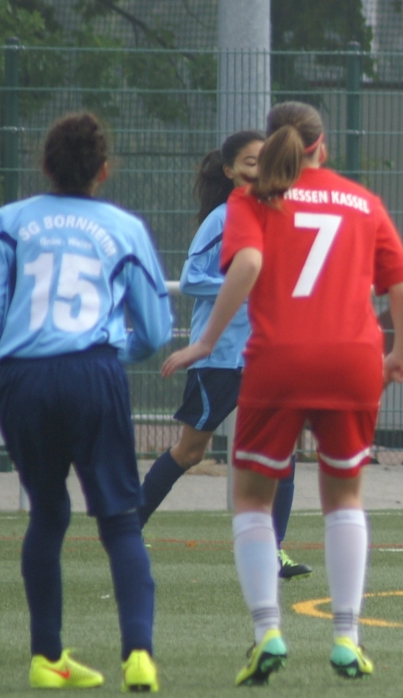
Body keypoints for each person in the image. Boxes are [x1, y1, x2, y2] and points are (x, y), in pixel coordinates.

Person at [161, 101, 403, 685]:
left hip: (279, 359)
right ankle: (347, 639)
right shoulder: (363, 202)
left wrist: (205, 342)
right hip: (353, 360)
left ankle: (267, 632)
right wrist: (401, 353)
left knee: (252, 500)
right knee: (344, 499)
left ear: (272, 142)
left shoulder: (252, 199)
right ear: (322, 146)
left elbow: (247, 263)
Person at [0, 112, 173, 690]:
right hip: (92, 372)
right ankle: (138, 654)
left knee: (48, 512)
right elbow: (156, 330)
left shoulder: (10, 221)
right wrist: (114, 350)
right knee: (120, 520)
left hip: (23, 377)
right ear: (103, 170)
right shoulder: (124, 228)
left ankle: (46, 658)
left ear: (45, 165)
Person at [138, 131, 311, 581]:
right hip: (220, 358)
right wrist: (246, 283)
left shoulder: (280, 217)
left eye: (266, 162)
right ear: (231, 170)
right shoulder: (221, 219)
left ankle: (273, 551)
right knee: (191, 451)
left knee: (282, 452)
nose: (260, 171)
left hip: (267, 356)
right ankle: (128, 525)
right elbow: (191, 279)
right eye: (250, 163)